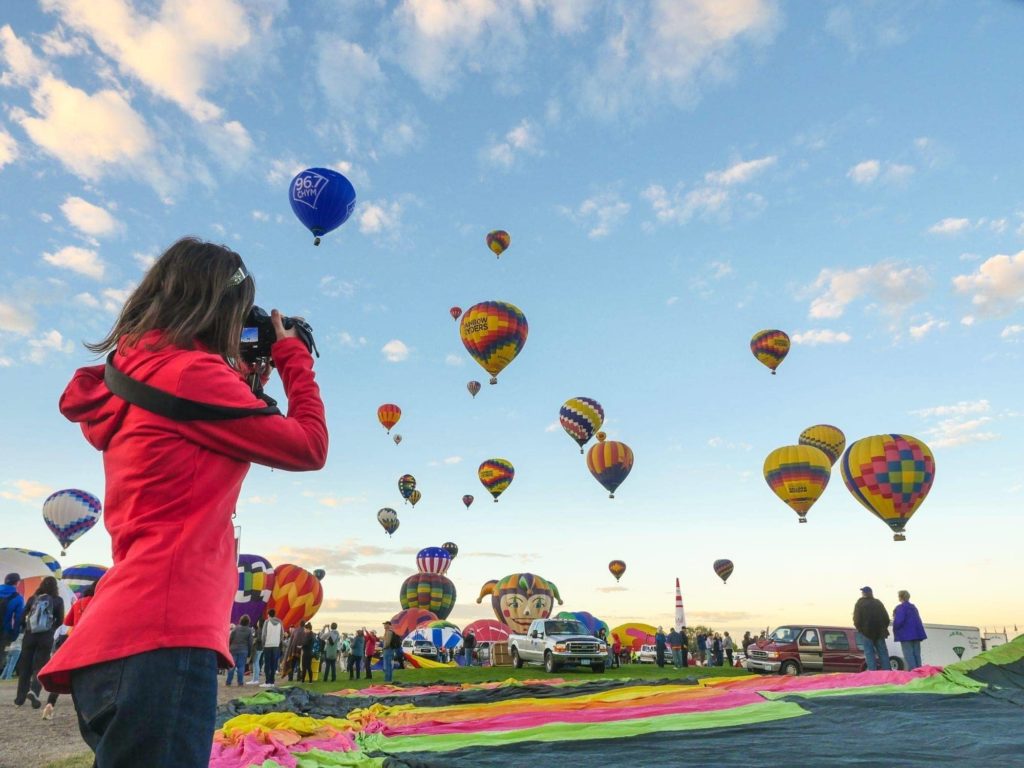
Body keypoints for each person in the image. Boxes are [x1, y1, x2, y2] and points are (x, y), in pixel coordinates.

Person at [38, 237, 328, 768]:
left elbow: (187, 431)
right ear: (218, 307)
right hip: (164, 636)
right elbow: (309, 447)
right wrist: (292, 357)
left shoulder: (136, 375)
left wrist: (243, 379)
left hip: (118, 640)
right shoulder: (193, 377)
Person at [43, 580, 100, 720]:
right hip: (93, 644)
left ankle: (51, 703)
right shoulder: (98, 601)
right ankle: (90, 710)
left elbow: (68, 623)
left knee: (73, 676)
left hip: (75, 643)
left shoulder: (78, 603)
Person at [15, 576, 65, 708]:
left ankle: (20, 697)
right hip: (47, 637)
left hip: (30, 635)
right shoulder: (58, 600)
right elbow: (60, 621)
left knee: (25, 665)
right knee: (40, 665)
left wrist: (23, 628)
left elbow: (22, 617)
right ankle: (34, 691)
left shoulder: (33, 599)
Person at [853, 586, 891, 671]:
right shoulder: (878, 602)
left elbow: (856, 619)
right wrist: (883, 628)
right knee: (883, 653)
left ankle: (873, 673)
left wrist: (860, 630)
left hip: (866, 633)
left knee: (869, 653)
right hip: (880, 633)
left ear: (864, 593)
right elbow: (886, 618)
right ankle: (887, 672)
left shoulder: (860, 603)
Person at [893, 590, 927, 670]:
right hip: (916, 634)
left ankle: (913, 672)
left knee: (908, 655)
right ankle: (919, 671)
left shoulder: (900, 608)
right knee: (916, 654)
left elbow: (899, 621)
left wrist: (895, 629)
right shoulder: (914, 607)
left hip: (906, 635)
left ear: (900, 597)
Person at [1, 572, 25, 673]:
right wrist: (14, 634)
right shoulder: (18, 598)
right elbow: (18, 618)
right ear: (17, 583)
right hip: (3, 631)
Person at [226, 616, 253, 687]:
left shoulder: (236, 628)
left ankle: (228, 682)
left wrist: (229, 648)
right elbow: (250, 643)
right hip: (244, 650)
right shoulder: (249, 630)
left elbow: (230, 639)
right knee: (241, 667)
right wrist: (249, 653)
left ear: (240, 621)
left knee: (232, 666)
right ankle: (240, 682)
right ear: (248, 622)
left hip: (233, 649)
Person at [261, 609, 284, 687]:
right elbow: (282, 634)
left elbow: (263, 634)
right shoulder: (280, 623)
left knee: (267, 664)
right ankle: (272, 682)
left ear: (268, 615)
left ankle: (267, 682)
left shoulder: (267, 622)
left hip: (267, 645)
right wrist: (278, 642)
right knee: (273, 664)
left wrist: (263, 643)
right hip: (276, 646)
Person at [249, 620, 264, 685]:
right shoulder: (262, 630)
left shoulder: (259, 630)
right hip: (260, 648)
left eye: (258, 622)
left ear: (260, 623)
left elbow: (259, 639)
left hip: (257, 648)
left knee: (255, 663)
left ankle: (255, 679)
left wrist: (254, 639)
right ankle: (255, 679)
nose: (257, 623)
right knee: (256, 663)